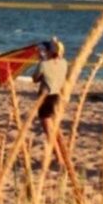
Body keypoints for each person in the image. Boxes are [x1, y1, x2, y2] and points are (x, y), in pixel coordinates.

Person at [33, 37, 69, 165]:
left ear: (48, 51)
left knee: (49, 130)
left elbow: (35, 78)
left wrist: (41, 61)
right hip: (58, 97)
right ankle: (65, 155)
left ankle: (59, 158)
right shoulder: (64, 63)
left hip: (46, 97)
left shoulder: (44, 64)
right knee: (57, 129)